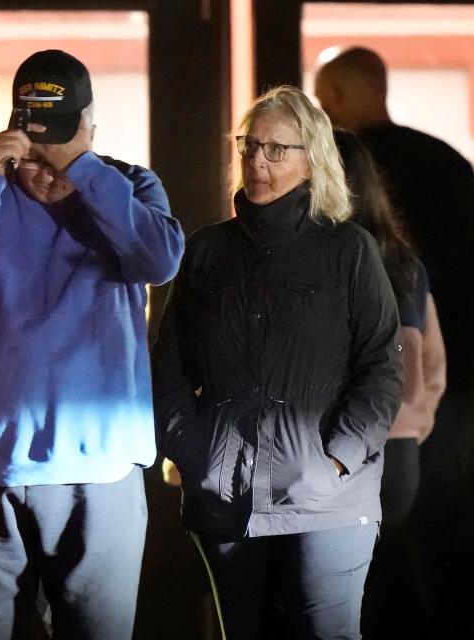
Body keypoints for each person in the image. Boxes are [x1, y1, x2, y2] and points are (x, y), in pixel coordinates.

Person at [0, 49, 185, 639]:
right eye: (36, 144)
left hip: (97, 476)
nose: (46, 165)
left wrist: (84, 170)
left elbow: (159, 259)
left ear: (88, 131)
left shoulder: (126, 185)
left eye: (61, 142)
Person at [151, 86, 403, 640]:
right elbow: (168, 367)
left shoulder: (348, 250)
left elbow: (381, 370)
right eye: (249, 146)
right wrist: (195, 456)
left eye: (275, 149)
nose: (257, 161)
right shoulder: (207, 250)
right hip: (226, 496)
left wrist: (334, 462)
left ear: (311, 158)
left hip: (329, 501)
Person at [315, 47, 474, 638]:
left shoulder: (345, 171)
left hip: (369, 401)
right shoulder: (447, 162)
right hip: (446, 381)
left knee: (365, 556)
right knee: (442, 531)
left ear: (333, 97)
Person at [332, 128, 447, 639]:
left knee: (332, 599)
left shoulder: (326, 259)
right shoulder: (404, 264)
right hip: (399, 452)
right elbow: (435, 366)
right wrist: (413, 425)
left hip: (337, 449)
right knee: (383, 588)